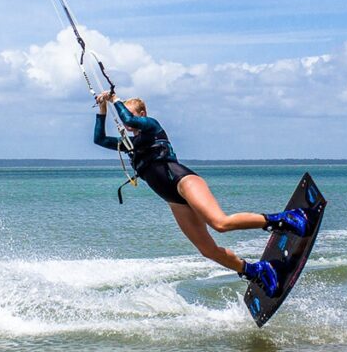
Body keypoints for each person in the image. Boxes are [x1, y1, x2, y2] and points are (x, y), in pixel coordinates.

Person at [93, 91, 317, 297]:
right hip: (173, 200)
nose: (129, 125)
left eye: (132, 115)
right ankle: (257, 271)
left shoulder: (152, 126)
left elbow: (128, 120)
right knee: (207, 250)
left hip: (182, 182)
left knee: (220, 223)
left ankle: (285, 219)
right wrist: (102, 110)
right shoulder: (130, 145)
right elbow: (100, 140)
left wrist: (114, 99)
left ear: (142, 114)